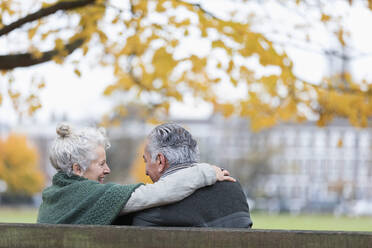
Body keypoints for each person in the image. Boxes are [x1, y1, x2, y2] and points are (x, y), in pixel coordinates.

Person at [37, 123, 235, 225]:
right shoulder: (87, 195)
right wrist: (206, 171)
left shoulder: (53, 197)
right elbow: (159, 193)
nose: (107, 170)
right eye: (101, 164)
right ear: (77, 169)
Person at [130, 123, 253, 228]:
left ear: (160, 161)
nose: (146, 171)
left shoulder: (154, 210)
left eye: (146, 161)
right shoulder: (233, 188)